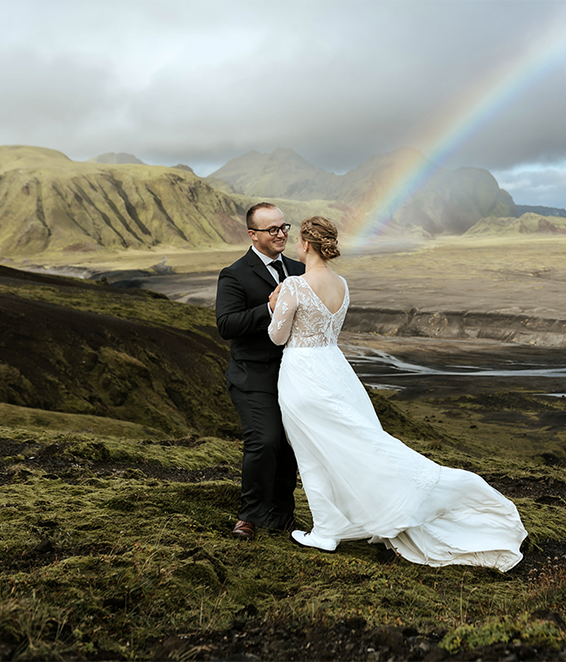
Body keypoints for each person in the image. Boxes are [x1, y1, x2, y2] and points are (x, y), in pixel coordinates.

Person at [267, 216, 527, 571]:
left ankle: (329, 529)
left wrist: (273, 305)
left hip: (302, 375)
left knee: (313, 451)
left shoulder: (295, 285)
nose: (295, 244)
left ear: (306, 245)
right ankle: (336, 524)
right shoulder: (342, 284)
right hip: (336, 370)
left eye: (297, 240)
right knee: (358, 443)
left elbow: (277, 337)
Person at [216, 202, 306, 540]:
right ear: (253, 235)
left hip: (294, 375)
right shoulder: (234, 274)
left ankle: (282, 516)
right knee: (264, 440)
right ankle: (249, 517)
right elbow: (226, 325)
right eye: (273, 230)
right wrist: (267, 307)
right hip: (252, 376)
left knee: (289, 444)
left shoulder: (300, 268)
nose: (282, 234)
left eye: (284, 227)